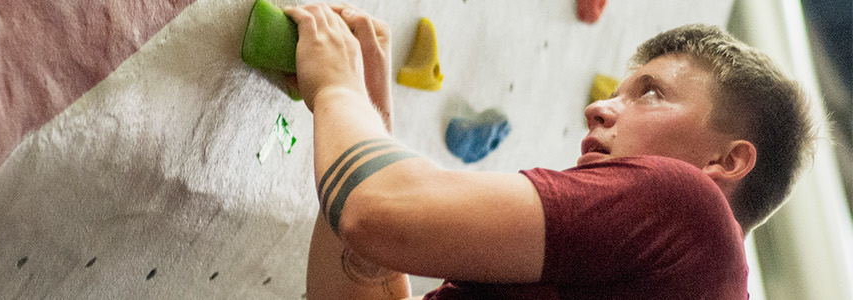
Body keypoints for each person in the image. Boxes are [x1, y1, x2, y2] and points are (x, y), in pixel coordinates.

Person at [281, 3, 813, 299]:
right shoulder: (667, 273)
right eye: (614, 92)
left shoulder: (690, 210)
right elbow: (374, 238)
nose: (599, 109)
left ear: (727, 161)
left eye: (650, 92)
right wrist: (368, 112)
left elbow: (373, 213)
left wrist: (337, 89)